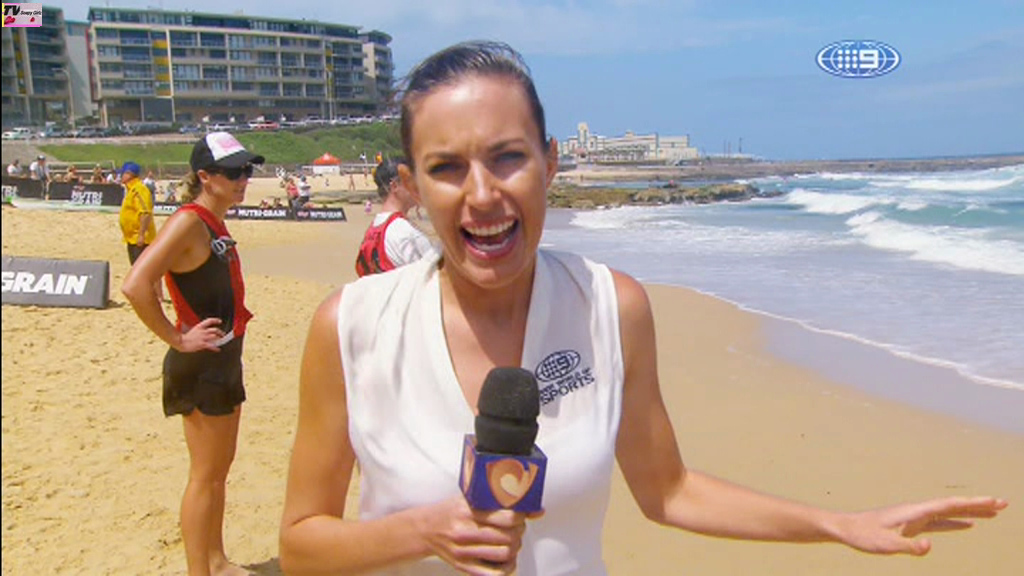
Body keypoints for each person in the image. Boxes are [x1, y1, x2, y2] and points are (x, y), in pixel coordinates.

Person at [278, 41, 1008, 576]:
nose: (482, 194)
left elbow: (669, 491)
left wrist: (838, 523)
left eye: (507, 157)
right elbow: (302, 544)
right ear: (412, 185)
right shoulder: (352, 326)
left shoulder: (610, 307)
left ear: (550, 162)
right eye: (446, 168)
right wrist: (422, 532)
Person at [122, 131, 263, 576]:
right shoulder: (188, 221)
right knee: (205, 476)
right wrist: (176, 337)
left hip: (223, 357)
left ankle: (216, 561)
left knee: (218, 471)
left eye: (247, 170)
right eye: (234, 172)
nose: (244, 179)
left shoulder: (212, 221)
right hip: (200, 363)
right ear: (205, 176)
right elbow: (135, 284)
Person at [353, 156, 437, 276]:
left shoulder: (374, 229)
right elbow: (435, 277)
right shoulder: (406, 233)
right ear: (394, 186)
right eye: (410, 181)